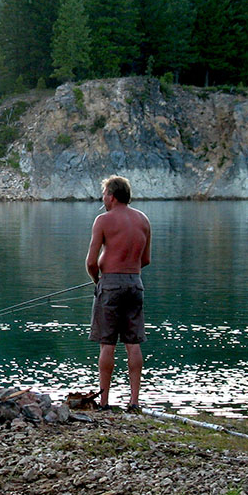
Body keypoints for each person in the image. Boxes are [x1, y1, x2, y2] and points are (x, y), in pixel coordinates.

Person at [86, 176, 151, 411]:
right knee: (133, 343)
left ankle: (104, 402)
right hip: (135, 283)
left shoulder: (103, 220)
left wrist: (98, 281)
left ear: (112, 196)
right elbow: (146, 259)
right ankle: (134, 401)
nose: (103, 199)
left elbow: (91, 262)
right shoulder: (143, 220)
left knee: (107, 343)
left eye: (104, 194)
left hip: (110, 284)